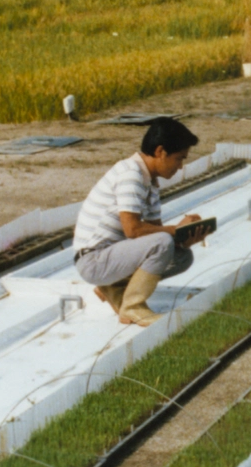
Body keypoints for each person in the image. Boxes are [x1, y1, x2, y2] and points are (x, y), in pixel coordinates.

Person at [72, 117, 207, 325]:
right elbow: (133, 230)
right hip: (93, 260)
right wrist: (174, 230)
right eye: (179, 158)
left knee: (182, 256)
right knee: (163, 242)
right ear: (161, 152)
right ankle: (132, 306)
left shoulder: (150, 183)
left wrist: (184, 235)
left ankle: (113, 289)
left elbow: (155, 233)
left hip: (111, 256)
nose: (181, 167)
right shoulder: (131, 174)